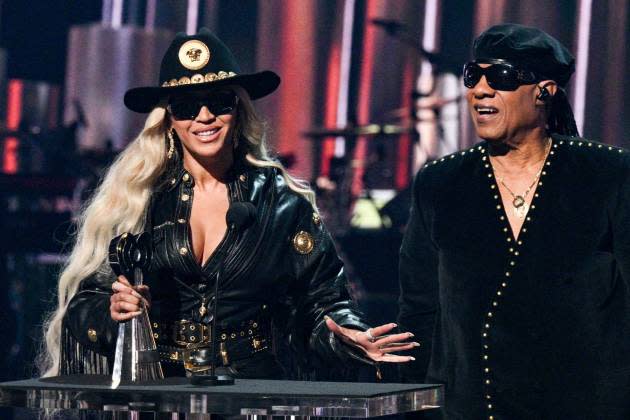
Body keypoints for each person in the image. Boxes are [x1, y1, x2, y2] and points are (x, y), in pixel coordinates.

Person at [40, 29, 417, 381]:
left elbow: (324, 300)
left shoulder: (282, 203)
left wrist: (349, 334)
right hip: (161, 393)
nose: (204, 117)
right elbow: (83, 303)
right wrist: (111, 312)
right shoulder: (136, 199)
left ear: (238, 111)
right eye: (187, 106)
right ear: (170, 119)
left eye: (219, 102)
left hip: (254, 392)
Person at [398, 23, 630, 419]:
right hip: (473, 409)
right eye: (474, 75)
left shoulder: (607, 174)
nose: (480, 90)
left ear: (545, 91)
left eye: (501, 77)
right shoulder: (441, 183)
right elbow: (420, 312)